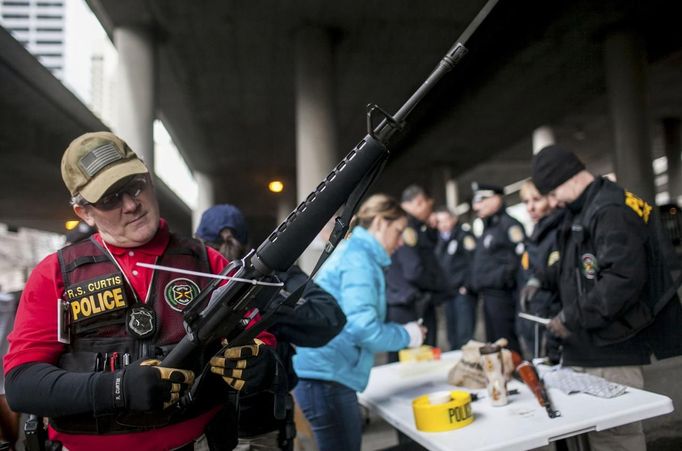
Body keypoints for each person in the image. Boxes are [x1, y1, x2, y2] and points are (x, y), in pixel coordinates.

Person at [3, 131, 275, 451]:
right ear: (84, 212)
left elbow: (260, 343)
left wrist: (259, 362)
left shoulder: (207, 262)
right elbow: (22, 384)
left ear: (149, 178)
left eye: (135, 186)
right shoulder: (54, 273)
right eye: (109, 199)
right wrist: (116, 388)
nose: (132, 205)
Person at [532, 144, 682, 451]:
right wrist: (540, 279)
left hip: (613, 348)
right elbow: (573, 264)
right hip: (592, 344)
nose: (551, 202)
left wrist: (570, 317)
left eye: (551, 193)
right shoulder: (585, 208)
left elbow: (622, 281)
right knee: (594, 436)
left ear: (568, 179)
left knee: (615, 438)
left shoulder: (610, 210)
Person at [195, 203, 346, 451]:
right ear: (245, 239)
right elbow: (330, 318)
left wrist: (262, 298)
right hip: (257, 426)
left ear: (200, 240)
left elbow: (329, 317)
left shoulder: (268, 275)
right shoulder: (192, 276)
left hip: (209, 429)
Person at [293, 194, 426, 451]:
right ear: (379, 223)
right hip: (326, 376)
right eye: (398, 232)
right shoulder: (360, 260)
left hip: (325, 371)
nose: (401, 242)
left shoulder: (357, 253)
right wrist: (409, 335)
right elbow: (364, 329)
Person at [386, 185, 446, 353]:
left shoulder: (403, 222)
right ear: (420, 202)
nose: (430, 210)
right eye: (429, 204)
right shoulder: (408, 226)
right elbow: (414, 271)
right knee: (418, 363)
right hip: (412, 306)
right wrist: (436, 286)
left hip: (402, 301)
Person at [470, 182, 525, 353]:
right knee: (495, 345)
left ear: (497, 198)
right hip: (489, 295)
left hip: (503, 296)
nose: (476, 205)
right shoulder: (489, 228)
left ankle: (516, 377)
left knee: (507, 344)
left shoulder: (509, 225)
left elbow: (518, 261)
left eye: (482, 199)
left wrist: (500, 279)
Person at [516, 181, 563, 362]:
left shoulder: (558, 231)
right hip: (534, 314)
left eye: (536, 199)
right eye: (526, 202)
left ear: (551, 199)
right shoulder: (537, 233)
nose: (531, 207)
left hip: (552, 317)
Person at [433, 206, 478, 350]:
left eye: (446, 220)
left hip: (462, 292)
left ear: (454, 219)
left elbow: (474, 262)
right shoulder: (438, 240)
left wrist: (467, 285)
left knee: (464, 334)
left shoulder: (464, 236)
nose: (443, 224)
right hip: (448, 294)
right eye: (439, 222)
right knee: (451, 334)